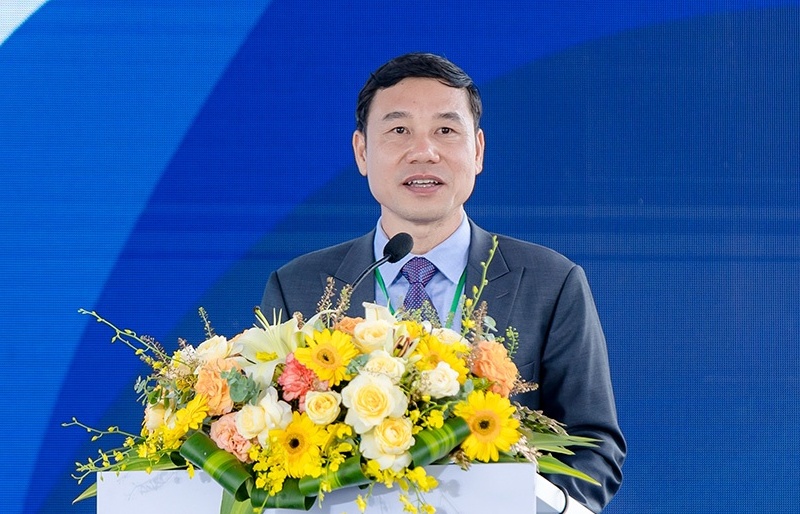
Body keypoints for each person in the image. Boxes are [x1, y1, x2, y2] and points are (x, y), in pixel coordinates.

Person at [261, 52, 626, 512]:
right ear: (361, 152)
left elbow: (593, 446)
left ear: (478, 151)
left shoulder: (551, 283)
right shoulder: (298, 287)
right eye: (399, 130)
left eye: (446, 131)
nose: (424, 152)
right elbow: (267, 445)